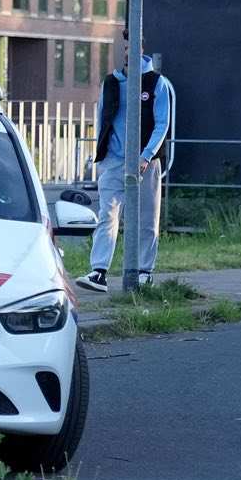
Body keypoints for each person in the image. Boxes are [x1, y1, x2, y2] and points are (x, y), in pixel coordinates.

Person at [75, 40, 175, 293]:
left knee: (147, 218)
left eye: (134, 49)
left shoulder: (157, 83)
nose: (129, 54)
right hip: (114, 161)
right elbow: (102, 118)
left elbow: (162, 123)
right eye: (126, 49)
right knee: (107, 215)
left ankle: (144, 271)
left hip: (146, 162)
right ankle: (99, 272)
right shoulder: (111, 82)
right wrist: (102, 154)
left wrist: (146, 156)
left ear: (142, 51)